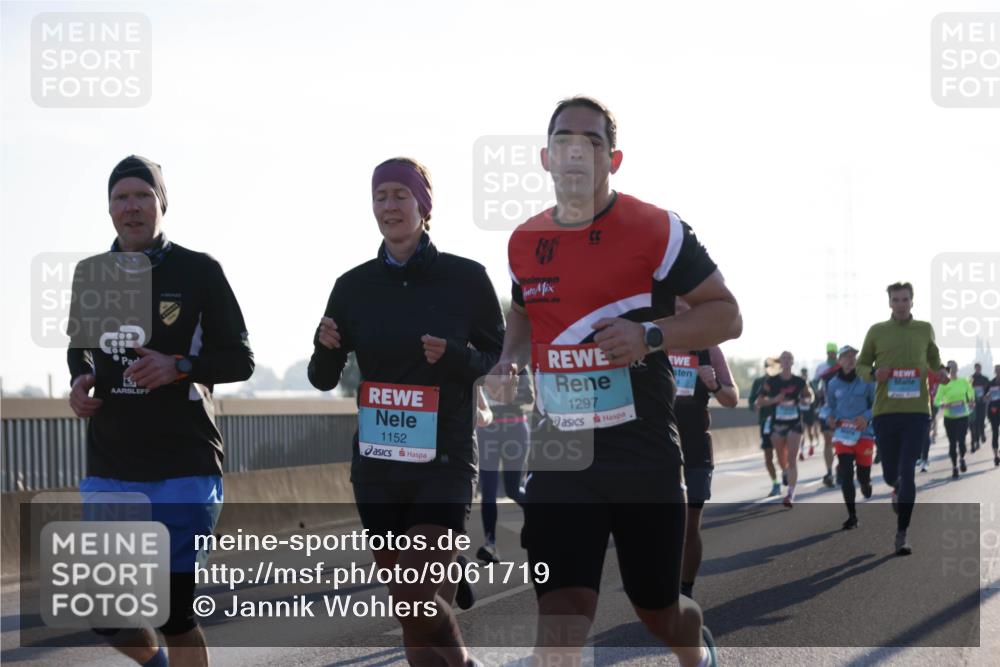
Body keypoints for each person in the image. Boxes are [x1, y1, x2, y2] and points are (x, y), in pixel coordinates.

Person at [491, 96, 739, 667]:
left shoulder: (657, 229)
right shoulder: (523, 243)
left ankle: (695, 652)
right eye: (563, 140)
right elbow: (525, 313)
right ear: (546, 159)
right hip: (560, 447)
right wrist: (508, 359)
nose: (576, 149)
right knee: (558, 626)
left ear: (614, 159)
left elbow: (727, 314)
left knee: (658, 609)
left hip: (642, 447)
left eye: (591, 141)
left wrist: (649, 336)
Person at [308, 157, 504, 667]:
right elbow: (323, 377)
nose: (389, 206)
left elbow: (497, 355)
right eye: (380, 196)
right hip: (378, 465)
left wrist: (456, 355)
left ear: (423, 205)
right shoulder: (352, 286)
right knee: (409, 612)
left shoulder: (465, 278)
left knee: (419, 598)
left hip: (443, 459)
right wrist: (325, 346)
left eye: (400, 195)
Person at [67, 155, 254, 667]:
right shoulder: (91, 274)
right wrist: (78, 381)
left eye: (142, 196)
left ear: (161, 204)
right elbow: (79, 351)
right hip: (112, 465)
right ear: (109, 209)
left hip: (183, 463)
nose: (132, 207)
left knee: (173, 613)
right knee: (105, 609)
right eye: (121, 197)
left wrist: (180, 366)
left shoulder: (199, 271)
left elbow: (240, 360)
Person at [857, 281, 948, 556]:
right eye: (895, 300)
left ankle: (902, 534)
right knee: (889, 474)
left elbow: (934, 358)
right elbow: (862, 365)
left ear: (912, 301)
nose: (900, 304)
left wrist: (941, 371)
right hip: (886, 412)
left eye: (905, 299)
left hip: (917, 412)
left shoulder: (924, 329)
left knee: (908, 470)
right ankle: (894, 486)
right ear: (889, 303)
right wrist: (874, 374)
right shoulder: (877, 331)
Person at [668, 301, 739, 601]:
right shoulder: (656, 344)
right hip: (661, 441)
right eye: (676, 308)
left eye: (687, 307)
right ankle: (662, 586)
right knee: (664, 520)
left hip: (696, 440)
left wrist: (712, 385)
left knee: (690, 525)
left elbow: (732, 398)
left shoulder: (709, 349)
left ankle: (686, 590)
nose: (681, 312)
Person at [474, 369, 534, 564]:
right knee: (488, 492)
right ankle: (490, 544)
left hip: (515, 429)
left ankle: (540, 517)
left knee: (513, 490)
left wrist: (504, 391)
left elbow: (528, 396)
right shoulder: (482, 359)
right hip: (487, 431)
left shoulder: (517, 364)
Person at [824, 346, 875, 530]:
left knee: (863, 475)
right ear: (840, 361)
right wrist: (830, 416)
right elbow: (829, 406)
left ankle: (866, 483)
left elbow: (876, 404)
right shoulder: (832, 384)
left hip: (864, 435)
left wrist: (866, 417)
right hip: (842, 434)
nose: (850, 359)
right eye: (846, 356)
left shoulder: (867, 380)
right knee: (846, 474)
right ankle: (852, 515)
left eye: (853, 355)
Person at [755, 351, 813, 508]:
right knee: (782, 459)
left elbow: (809, 397)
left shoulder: (800, 381)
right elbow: (759, 400)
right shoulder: (771, 381)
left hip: (795, 423)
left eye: (789, 359)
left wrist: (803, 399)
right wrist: (775, 399)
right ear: (780, 362)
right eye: (784, 359)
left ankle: (790, 494)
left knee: (792, 459)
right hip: (777, 424)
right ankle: (785, 472)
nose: (786, 361)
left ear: (792, 362)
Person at [934, 361, 976, 479]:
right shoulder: (943, 384)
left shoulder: (963, 381)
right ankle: (954, 467)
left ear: (957, 369)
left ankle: (962, 458)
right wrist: (944, 405)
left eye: (953, 367)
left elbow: (970, 393)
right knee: (952, 443)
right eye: (949, 367)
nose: (951, 369)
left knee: (961, 441)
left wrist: (971, 400)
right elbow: (936, 401)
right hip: (949, 418)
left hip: (963, 416)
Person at [749, 359, 781, 496]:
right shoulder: (758, 382)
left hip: (782, 423)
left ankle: (787, 474)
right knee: (768, 457)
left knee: (783, 455)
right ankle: (775, 483)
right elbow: (751, 401)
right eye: (767, 366)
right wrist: (755, 406)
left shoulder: (782, 382)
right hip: (765, 424)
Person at [813, 343, 841, 487]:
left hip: (843, 409)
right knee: (828, 441)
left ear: (836, 353)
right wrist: (816, 392)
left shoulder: (842, 366)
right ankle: (829, 472)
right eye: (829, 352)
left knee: (842, 440)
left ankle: (841, 466)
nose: (831, 354)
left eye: (833, 352)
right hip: (826, 408)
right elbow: (813, 383)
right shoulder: (821, 367)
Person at [970, 362, 991, 452]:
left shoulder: (985, 379)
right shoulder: (971, 379)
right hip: (973, 404)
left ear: (981, 369)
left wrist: (986, 396)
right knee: (975, 423)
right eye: (976, 368)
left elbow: (990, 391)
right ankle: (977, 441)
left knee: (981, 420)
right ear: (975, 368)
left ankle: (982, 434)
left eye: (979, 368)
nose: (978, 369)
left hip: (982, 403)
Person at [799, 368, 819, 457]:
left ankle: (811, 445)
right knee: (801, 431)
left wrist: (814, 406)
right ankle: (801, 451)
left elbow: (815, 396)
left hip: (810, 411)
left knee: (809, 431)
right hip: (801, 412)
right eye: (802, 373)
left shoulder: (810, 384)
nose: (804, 375)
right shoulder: (797, 384)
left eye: (805, 373)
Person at [988, 364, 1000, 466]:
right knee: (995, 433)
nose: (998, 372)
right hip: (994, 411)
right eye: (996, 370)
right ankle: (996, 456)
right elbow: (985, 396)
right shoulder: (991, 383)